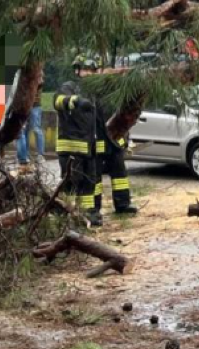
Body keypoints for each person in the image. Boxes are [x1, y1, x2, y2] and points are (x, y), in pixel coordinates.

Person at [54, 56, 102, 227]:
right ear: (77, 70)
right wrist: (76, 101)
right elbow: (58, 102)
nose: (90, 73)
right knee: (70, 184)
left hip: (88, 148)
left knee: (89, 184)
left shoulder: (92, 92)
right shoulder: (68, 87)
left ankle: (88, 214)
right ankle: (63, 216)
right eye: (86, 69)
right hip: (71, 148)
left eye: (93, 70)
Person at [94, 103, 139, 215]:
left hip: (114, 147)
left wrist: (125, 143)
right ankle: (94, 209)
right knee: (95, 179)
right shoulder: (95, 100)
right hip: (99, 146)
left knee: (120, 177)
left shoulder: (118, 98)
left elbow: (122, 126)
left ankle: (123, 205)